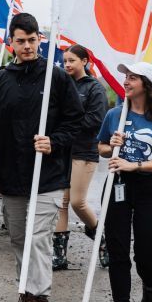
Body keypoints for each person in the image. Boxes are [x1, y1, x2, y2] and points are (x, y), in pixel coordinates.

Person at [0, 13, 83, 302]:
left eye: (32, 40)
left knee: (38, 239)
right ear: (11, 42)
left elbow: (76, 121)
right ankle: (26, 291)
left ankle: (37, 296)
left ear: (40, 40)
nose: (27, 46)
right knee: (20, 240)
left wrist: (54, 141)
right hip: (11, 177)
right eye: (21, 41)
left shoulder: (56, 78)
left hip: (47, 176)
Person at [97, 62, 152, 302]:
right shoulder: (115, 114)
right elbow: (101, 148)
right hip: (117, 186)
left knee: (147, 252)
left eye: (132, 78)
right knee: (117, 250)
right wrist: (111, 146)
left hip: (150, 189)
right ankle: (121, 300)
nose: (126, 82)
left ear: (147, 85)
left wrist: (136, 165)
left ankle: (149, 288)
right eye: (126, 77)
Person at [53, 45, 108, 271]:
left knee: (77, 202)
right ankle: (59, 256)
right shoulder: (61, 85)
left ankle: (102, 237)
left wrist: (65, 129)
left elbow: (96, 119)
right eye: (64, 61)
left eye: (72, 60)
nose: (67, 65)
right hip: (61, 152)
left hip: (84, 152)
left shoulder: (94, 88)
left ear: (84, 61)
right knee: (61, 203)